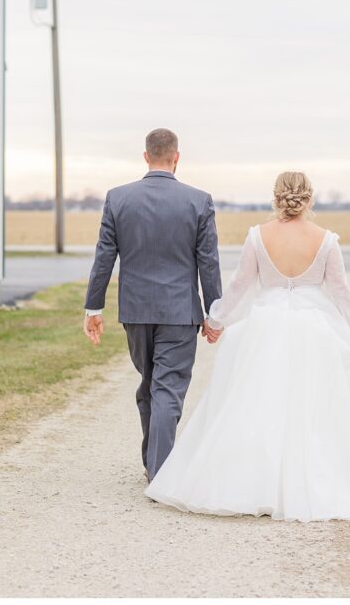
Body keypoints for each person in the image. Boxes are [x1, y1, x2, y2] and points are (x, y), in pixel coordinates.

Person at [145, 171, 350, 521]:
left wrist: (214, 320)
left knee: (259, 403)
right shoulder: (326, 240)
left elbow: (239, 286)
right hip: (315, 330)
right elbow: (342, 294)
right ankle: (311, 482)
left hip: (265, 325)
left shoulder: (258, 237)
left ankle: (252, 483)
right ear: (309, 199)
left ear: (277, 197)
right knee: (313, 408)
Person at [83, 128, 223, 482]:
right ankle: (161, 471)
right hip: (179, 312)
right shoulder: (199, 201)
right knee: (164, 386)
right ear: (177, 157)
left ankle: (154, 463)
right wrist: (214, 313)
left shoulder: (118, 198)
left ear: (146, 156)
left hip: (136, 310)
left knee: (154, 384)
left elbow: (104, 257)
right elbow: (208, 262)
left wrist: (93, 308)